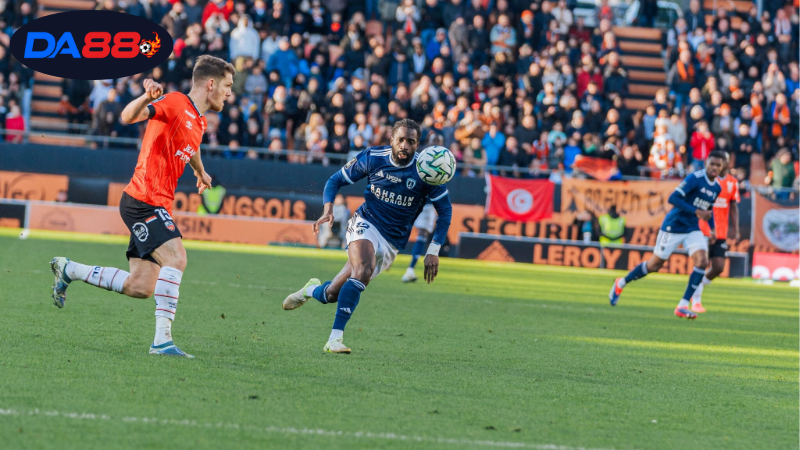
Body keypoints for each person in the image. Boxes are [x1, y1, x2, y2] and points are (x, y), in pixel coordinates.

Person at [49, 55, 235, 358]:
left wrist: (200, 171)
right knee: (177, 258)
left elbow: (192, 146)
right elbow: (127, 116)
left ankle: (69, 269)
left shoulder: (198, 120)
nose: (229, 93)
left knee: (140, 286)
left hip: (156, 203)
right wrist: (145, 98)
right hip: (143, 200)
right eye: (227, 86)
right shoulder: (174, 102)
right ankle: (162, 342)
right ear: (211, 84)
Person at [281, 119, 453, 354]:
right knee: (363, 270)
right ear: (391, 139)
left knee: (331, 294)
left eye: (411, 142)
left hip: (392, 242)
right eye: (400, 140)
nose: (405, 145)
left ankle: (310, 290)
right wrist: (328, 209)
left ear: (417, 145)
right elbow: (335, 180)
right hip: (365, 223)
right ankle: (334, 340)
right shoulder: (374, 157)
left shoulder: (426, 172)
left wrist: (433, 251)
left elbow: (445, 212)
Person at [608, 152, 726, 320]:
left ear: (722, 168)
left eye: (718, 165)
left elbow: (709, 209)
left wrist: (712, 228)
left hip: (692, 228)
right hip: (673, 226)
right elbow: (673, 198)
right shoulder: (695, 178)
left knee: (702, 261)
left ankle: (683, 305)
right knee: (654, 266)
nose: (714, 168)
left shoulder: (717, 187)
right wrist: (697, 211)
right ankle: (621, 282)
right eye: (712, 164)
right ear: (706, 163)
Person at [692, 152, 739, 313]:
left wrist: (736, 229)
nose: (720, 165)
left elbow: (733, 207)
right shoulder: (708, 180)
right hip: (704, 229)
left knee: (719, 267)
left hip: (721, 230)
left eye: (723, 161)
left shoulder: (732, 182)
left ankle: (699, 284)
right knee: (702, 263)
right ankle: (696, 301)